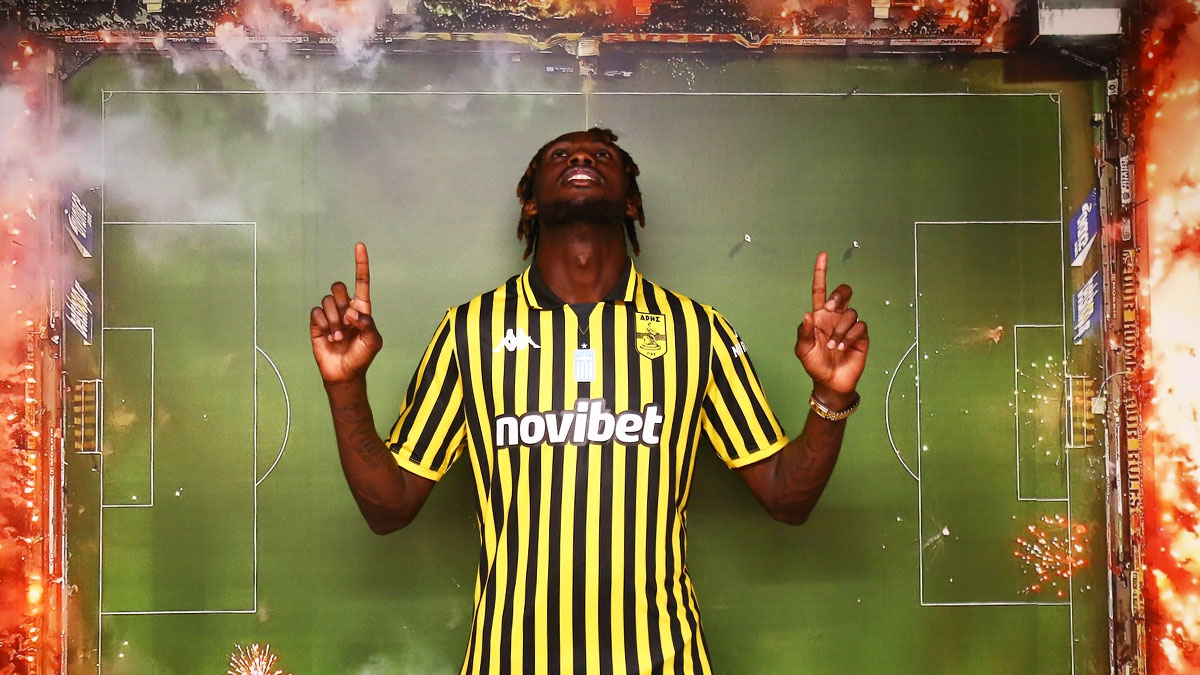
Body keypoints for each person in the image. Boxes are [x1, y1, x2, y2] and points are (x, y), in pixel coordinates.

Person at [309, 128, 869, 674]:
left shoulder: (697, 331)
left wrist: (831, 393)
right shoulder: (469, 331)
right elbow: (389, 509)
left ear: (632, 202)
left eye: (602, 155)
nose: (581, 158)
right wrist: (344, 386)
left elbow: (785, 497)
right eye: (560, 155)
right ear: (530, 203)